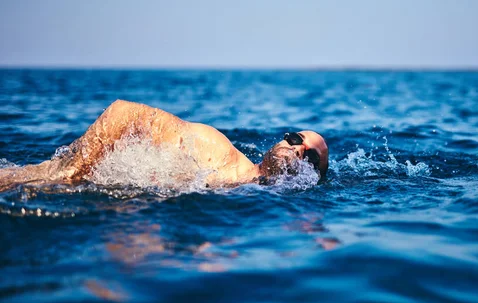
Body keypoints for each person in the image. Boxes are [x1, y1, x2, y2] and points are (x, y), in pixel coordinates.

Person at [0, 100, 329, 191]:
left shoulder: (245, 192)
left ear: (311, 177)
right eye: (297, 139)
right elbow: (123, 113)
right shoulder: (219, 151)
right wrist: (74, 172)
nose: (300, 149)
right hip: (62, 179)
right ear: (282, 139)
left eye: (311, 158)